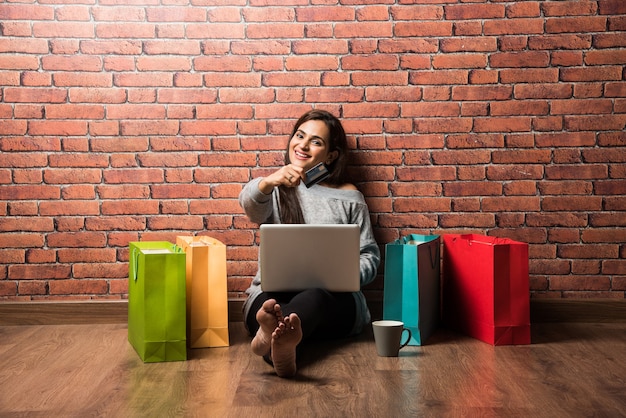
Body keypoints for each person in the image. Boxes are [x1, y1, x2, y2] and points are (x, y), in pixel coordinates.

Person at [238, 109, 380, 378]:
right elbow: (250, 206)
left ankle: (269, 339)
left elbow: (370, 257)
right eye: (299, 136)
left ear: (331, 155)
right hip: (273, 296)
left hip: (333, 302)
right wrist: (269, 182)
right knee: (270, 305)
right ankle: (283, 347)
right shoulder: (274, 189)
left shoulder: (350, 196)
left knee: (313, 297)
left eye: (315, 141)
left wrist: (339, 276)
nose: (302, 145)